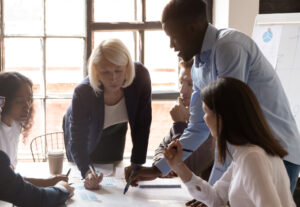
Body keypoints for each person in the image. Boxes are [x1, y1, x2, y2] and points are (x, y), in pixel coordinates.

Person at [130, 0, 300, 195]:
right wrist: (157, 169)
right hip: (251, 155)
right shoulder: (198, 67)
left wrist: (212, 190)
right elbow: (198, 127)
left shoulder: (229, 47)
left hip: (277, 153)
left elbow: (230, 122)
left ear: (191, 29)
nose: (171, 45)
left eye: (173, 37)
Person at [164, 77, 296, 207]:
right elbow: (216, 198)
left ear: (221, 118)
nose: (204, 119)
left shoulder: (252, 157)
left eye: (205, 112)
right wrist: (178, 166)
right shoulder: (244, 153)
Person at [63, 38, 152, 190]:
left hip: (116, 128)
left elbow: (142, 123)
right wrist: (87, 173)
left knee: (114, 170)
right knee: (87, 174)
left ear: (127, 67)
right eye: (105, 72)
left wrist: (136, 163)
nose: (113, 78)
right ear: (96, 71)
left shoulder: (140, 77)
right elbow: (78, 141)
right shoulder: (83, 92)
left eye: (118, 70)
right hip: (85, 131)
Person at [0, 72, 68, 187]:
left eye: (29, 99)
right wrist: (48, 182)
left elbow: (9, 174)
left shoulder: (15, 124)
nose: (27, 106)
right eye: (20, 101)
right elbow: (6, 182)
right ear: (4, 102)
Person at [152, 59, 214, 180]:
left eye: (190, 84)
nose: (182, 91)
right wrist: (163, 165)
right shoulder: (186, 115)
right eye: (181, 83)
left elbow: (186, 165)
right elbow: (160, 150)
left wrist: (179, 124)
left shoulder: (210, 124)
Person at [0, 106, 74, 207]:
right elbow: (36, 198)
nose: (1, 108)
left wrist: (48, 182)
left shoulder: (15, 127)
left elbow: (10, 180)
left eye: (29, 100)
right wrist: (62, 189)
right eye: (19, 101)